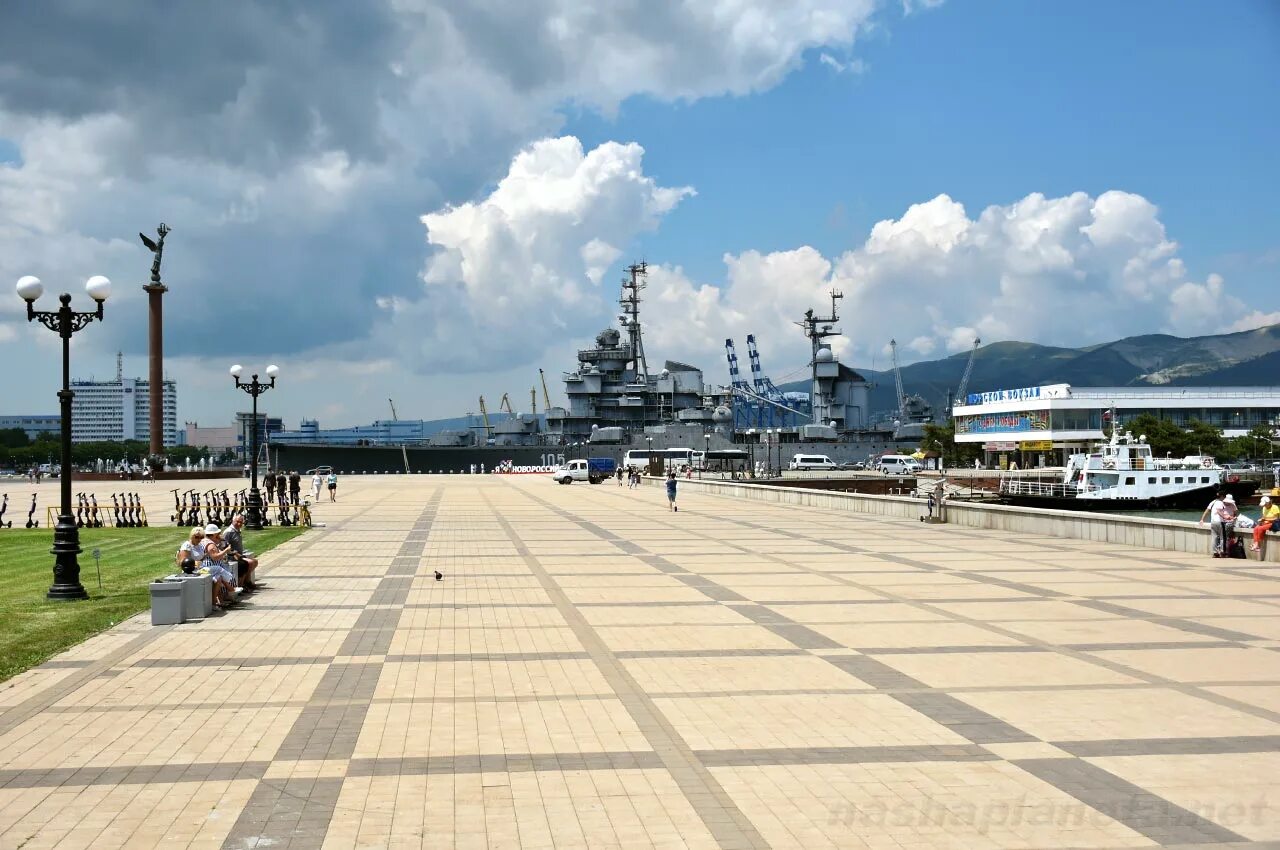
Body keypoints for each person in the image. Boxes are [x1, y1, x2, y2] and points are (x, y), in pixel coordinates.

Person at [223, 513, 259, 591]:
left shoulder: (238, 530)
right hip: (232, 556)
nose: (239, 524)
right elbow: (224, 545)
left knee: (255, 561)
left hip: (239, 555)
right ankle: (243, 584)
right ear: (233, 521)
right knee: (250, 563)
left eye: (241, 522)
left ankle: (246, 581)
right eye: (237, 521)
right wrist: (235, 553)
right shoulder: (229, 532)